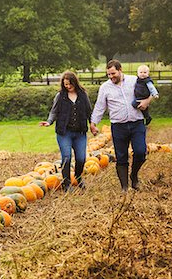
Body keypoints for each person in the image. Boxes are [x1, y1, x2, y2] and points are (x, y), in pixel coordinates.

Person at [90, 59, 153, 192]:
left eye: (113, 73)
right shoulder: (105, 87)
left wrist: (147, 101)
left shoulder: (134, 80)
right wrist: (93, 123)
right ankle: (125, 187)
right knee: (121, 156)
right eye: (108, 74)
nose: (111, 77)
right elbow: (100, 106)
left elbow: (151, 91)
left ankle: (134, 175)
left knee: (141, 152)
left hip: (137, 123)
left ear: (120, 70)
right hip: (118, 126)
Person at [40, 71, 92, 192]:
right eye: (65, 84)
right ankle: (66, 183)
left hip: (80, 133)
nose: (68, 86)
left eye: (69, 84)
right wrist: (49, 121)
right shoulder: (60, 96)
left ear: (75, 82)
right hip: (64, 132)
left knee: (81, 158)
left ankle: (78, 178)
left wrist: (93, 125)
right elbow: (54, 111)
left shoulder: (83, 95)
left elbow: (89, 111)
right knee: (67, 157)